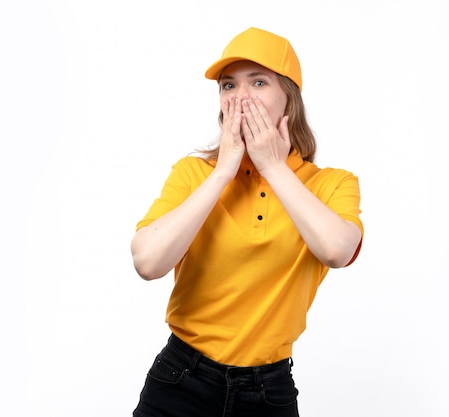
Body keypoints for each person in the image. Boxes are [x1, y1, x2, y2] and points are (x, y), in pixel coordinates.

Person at [130, 27, 363, 417]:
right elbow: (147, 263)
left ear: (289, 99)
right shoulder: (193, 173)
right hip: (180, 377)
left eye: (258, 82)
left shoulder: (331, 184)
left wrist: (273, 166)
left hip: (268, 391)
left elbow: (338, 251)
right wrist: (223, 170)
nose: (240, 98)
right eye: (228, 85)